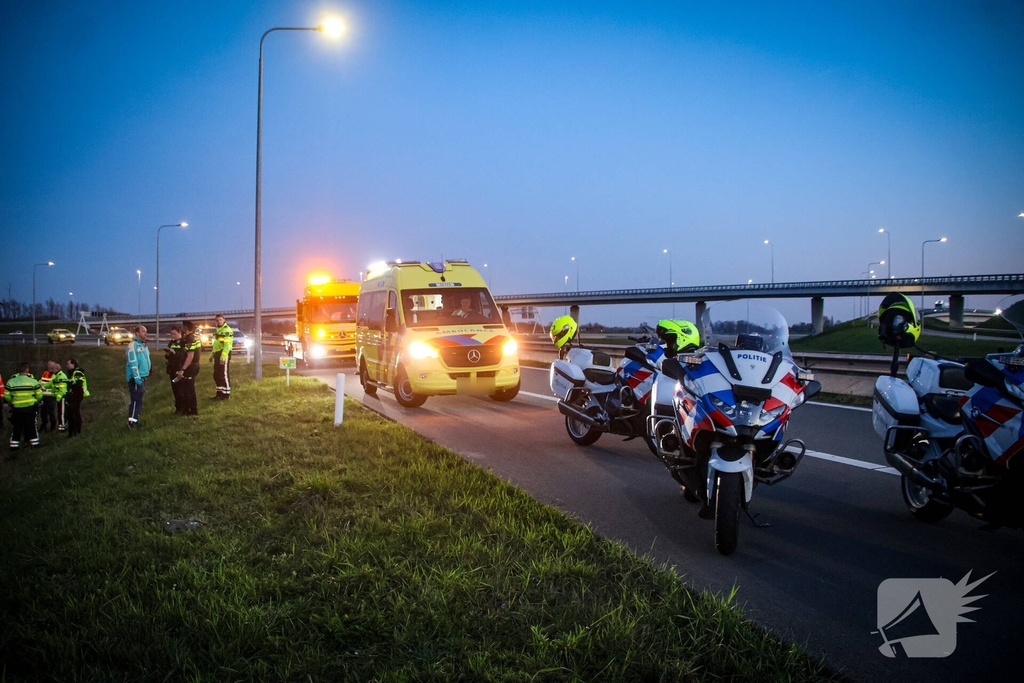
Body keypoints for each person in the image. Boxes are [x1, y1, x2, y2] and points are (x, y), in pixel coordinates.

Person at [5, 362, 42, 450]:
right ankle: (35, 444)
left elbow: (6, 395)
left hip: (17, 408)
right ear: (27, 370)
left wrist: (12, 402)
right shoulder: (33, 381)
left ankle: (14, 446)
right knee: (32, 426)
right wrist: (37, 401)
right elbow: (39, 394)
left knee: (17, 427)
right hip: (30, 408)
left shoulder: (11, 382)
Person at [126, 325, 152, 429]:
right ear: (137, 333)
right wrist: (137, 377)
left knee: (139, 400)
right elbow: (133, 362)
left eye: (146, 331)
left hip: (142, 377)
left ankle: (135, 420)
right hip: (136, 378)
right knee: (136, 400)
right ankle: (132, 423)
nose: (145, 333)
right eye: (143, 331)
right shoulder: (133, 345)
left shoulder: (143, 345)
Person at [176, 320, 201, 416]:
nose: (181, 328)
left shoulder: (190, 339)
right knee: (188, 388)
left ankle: (192, 411)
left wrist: (182, 369)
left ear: (185, 328)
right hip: (194, 365)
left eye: (182, 326)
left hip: (190, 367)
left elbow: (190, 356)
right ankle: (189, 409)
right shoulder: (194, 337)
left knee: (188, 389)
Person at [210, 313, 234, 400]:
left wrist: (223, 356)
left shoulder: (227, 330)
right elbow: (216, 344)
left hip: (224, 353)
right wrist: (212, 355)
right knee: (217, 374)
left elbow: (227, 345)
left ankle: (226, 394)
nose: (218, 321)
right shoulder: (218, 330)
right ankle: (219, 394)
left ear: (224, 320)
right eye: (217, 320)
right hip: (217, 353)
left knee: (223, 374)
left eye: (220, 320)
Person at [65, 358, 89, 437]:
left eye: (68, 364)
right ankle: (73, 430)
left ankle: (76, 430)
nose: (67, 366)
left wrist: (72, 389)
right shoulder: (71, 373)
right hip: (72, 396)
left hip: (76, 396)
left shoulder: (78, 372)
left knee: (75, 413)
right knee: (71, 413)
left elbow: (78, 384)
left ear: (73, 364)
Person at [165, 326, 185, 414]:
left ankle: (182, 408)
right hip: (172, 368)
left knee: (180, 389)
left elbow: (184, 356)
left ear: (179, 332)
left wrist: (175, 353)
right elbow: (167, 357)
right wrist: (168, 354)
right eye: (171, 334)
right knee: (175, 389)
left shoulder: (183, 342)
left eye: (174, 334)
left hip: (179, 368)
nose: (172, 336)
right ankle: (177, 408)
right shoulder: (171, 342)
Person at [39, 361, 61, 432]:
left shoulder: (56, 374)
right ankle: (44, 425)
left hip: (51, 396)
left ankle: (53, 426)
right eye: (48, 365)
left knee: (51, 412)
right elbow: (41, 381)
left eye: (51, 365)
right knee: (43, 412)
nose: (49, 367)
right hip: (43, 396)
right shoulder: (45, 373)